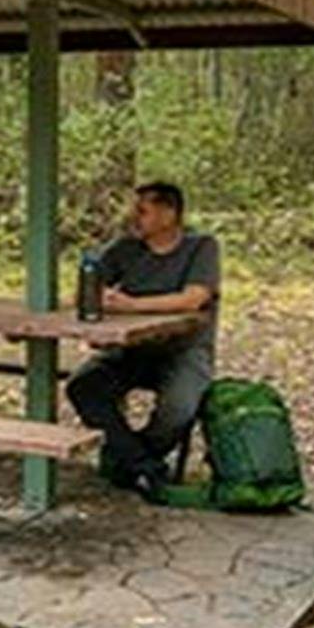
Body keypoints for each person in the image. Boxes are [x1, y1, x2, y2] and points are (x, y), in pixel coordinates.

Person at [65, 181, 220, 503]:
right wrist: (96, 295)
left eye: (142, 210)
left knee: (178, 410)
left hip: (184, 351)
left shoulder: (201, 247)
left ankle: (129, 461)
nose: (133, 217)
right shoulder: (125, 249)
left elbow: (194, 298)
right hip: (132, 349)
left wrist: (131, 305)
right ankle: (146, 468)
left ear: (169, 213)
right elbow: (84, 288)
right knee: (83, 386)